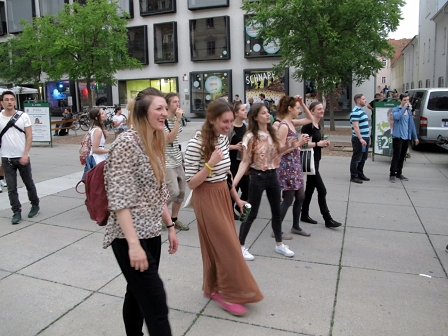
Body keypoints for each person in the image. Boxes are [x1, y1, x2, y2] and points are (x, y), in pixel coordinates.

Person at [103, 87, 179, 336]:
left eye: (165, 108)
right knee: (157, 304)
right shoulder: (126, 143)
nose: (164, 113)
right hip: (129, 238)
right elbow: (119, 198)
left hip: (151, 233)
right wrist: (134, 245)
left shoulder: (154, 141)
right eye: (159, 108)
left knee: (136, 295)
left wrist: (170, 226)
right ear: (142, 111)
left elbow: (158, 193)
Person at [184, 99, 263, 316]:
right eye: (224, 121)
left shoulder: (221, 139)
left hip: (222, 194)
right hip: (206, 196)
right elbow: (191, 183)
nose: (229, 125)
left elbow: (226, 176)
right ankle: (229, 293)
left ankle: (212, 287)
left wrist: (237, 199)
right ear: (212, 120)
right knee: (227, 246)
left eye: (230, 121)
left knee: (216, 245)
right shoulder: (195, 145)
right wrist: (209, 163)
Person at [234, 103, 300, 261]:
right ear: (255, 117)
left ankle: (279, 244)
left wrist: (293, 145)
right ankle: (240, 246)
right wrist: (234, 183)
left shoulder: (273, 133)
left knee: (277, 212)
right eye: (263, 113)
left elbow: (278, 151)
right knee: (251, 212)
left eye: (267, 112)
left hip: (273, 175)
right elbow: (245, 162)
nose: (267, 115)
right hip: (257, 177)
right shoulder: (250, 136)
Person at [300, 102, 342, 228]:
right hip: (311, 161)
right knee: (322, 190)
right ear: (311, 111)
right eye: (318, 109)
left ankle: (304, 214)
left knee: (310, 189)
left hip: (316, 160)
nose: (322, 111)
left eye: (322, 108)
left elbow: (316, 142)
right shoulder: (308, 126)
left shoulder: (318, 125)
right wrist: (319, 144)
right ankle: (327, 219)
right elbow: (302, 144)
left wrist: (323, 143)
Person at [0, 91, 39, 224]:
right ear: (2, 103)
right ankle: (16, 211)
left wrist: (25, 154)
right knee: (11, 188)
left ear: (15, 102)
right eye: (6, 100)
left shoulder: (23, 116)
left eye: (12, 99)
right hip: (6, 157)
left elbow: (29, 136)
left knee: (29, 183)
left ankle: (35, 204)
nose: (9, 102)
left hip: (22, 156)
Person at [276, 95, 312, 237]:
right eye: (297, 108)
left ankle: (296, 226)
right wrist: (298, 143)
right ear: (289, 108)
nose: (299, 111)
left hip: (294, 164)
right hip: (287, 166)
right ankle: (276, 229)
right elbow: (279, 149)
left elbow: (310, 119)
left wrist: (303, 104)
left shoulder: (292, 122)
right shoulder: (283, 126)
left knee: (301, 196)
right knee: (288, 198)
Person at [164, 93, 189, 231]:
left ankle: (174, 219)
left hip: (177, 160)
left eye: (178, 101)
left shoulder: (175, 119)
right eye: (174, 102)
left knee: (181, 193)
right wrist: (178, 120)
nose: (177, 104)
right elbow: (170, 139)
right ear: (167, 105)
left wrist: (177, 119)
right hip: (167, 162)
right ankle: (158, 214)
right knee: (172, 192)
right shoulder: (162, 120)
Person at [389, 93, 418, 183]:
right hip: (398, 136)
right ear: (400, 100)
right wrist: (404, 108)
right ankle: (392, 174)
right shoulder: (396, 109)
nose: (406, 101)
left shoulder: (409, 112)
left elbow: (412, 125)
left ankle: (399, 172)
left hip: (406, 136)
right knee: (396, 155)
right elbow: (396, 117)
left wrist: (415, 137)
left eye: (408, 100)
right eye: (404, 100)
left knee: (402, 156)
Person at [228, 101, 249, 219]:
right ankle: (230, 210)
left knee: (247, 187)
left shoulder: (245, 126)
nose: (245, 111)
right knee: (233, 187)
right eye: (242, 110)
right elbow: (220, 144)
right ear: (236, 113)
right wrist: (234, 146)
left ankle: (239, 204)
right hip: (232, 162)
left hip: (242, 160)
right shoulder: (230, 127)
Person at [350, 94, 370, 184]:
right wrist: (360, 138)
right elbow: (356, 127)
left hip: (365, 138)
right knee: (357, 158)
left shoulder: (362, 111)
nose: (365, 100)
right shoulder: (355, 112)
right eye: (363, 99)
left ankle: (360, 173)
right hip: (359, 139)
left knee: (363, 158)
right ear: (358, 101)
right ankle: (354, 176)